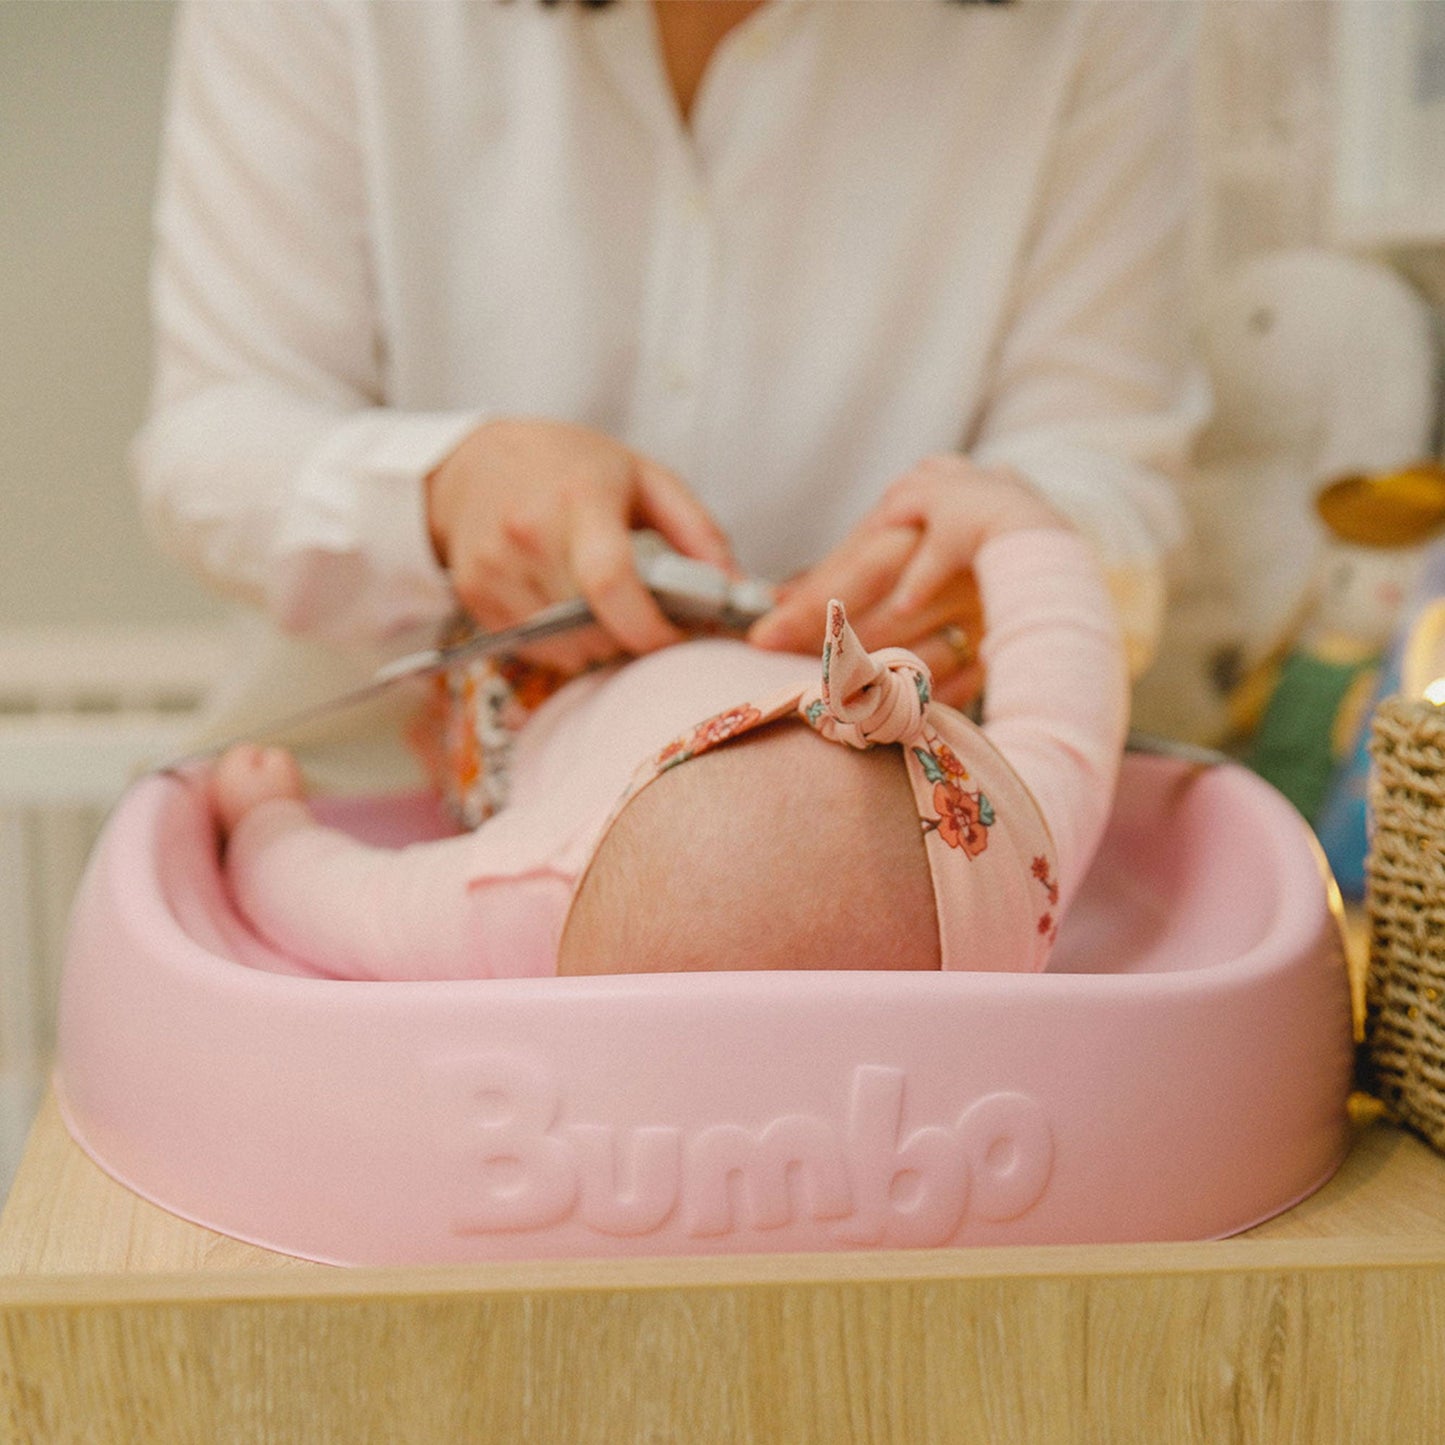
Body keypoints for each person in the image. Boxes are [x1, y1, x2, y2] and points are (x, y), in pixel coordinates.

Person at [133, 0, 1205, 789]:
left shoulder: (1095, 25)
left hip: (891, 814)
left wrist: (1007, 564)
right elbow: (214, 438)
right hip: (374, 788)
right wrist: (444, 488)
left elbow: (1104, 463)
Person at [209, 474, 1126, 979]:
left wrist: (266, 824)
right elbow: (1065, 683)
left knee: (469, 701)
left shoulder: (533, 884)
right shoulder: (1010, 858)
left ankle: (447, 729)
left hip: (542, 707)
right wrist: (1009, 518)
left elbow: (344, 903)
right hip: (794, 634)